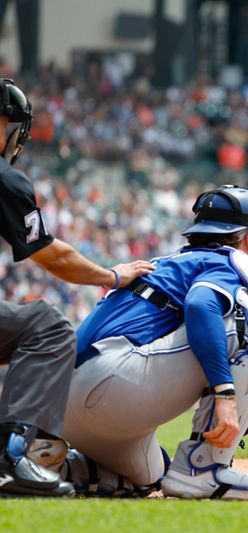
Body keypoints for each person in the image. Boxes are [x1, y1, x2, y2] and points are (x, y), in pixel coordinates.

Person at [44, 186, 248, 500]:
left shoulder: (173, 262)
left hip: (66, 408)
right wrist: (224, 393)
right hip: (109, 385)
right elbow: (201, 305)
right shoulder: (228, 259)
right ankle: (205, 469)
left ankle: (54, 470)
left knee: (151, 475)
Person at [0, 78, 155, 497]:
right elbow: (50, 255)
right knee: (46, 326)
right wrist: (113, 275)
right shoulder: (5, 179)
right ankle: (11, 458)